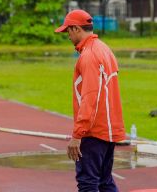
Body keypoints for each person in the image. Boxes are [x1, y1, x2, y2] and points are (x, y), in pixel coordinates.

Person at [55, 10, 126, 192]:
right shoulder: (104, 49)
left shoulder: (89, 56)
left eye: (68, 32)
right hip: (108, 130)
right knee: (104, 182)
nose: (68, 36)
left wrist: (78, 135)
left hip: (93, 131)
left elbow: (90, 97)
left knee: (88, 183)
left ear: (77, 28)